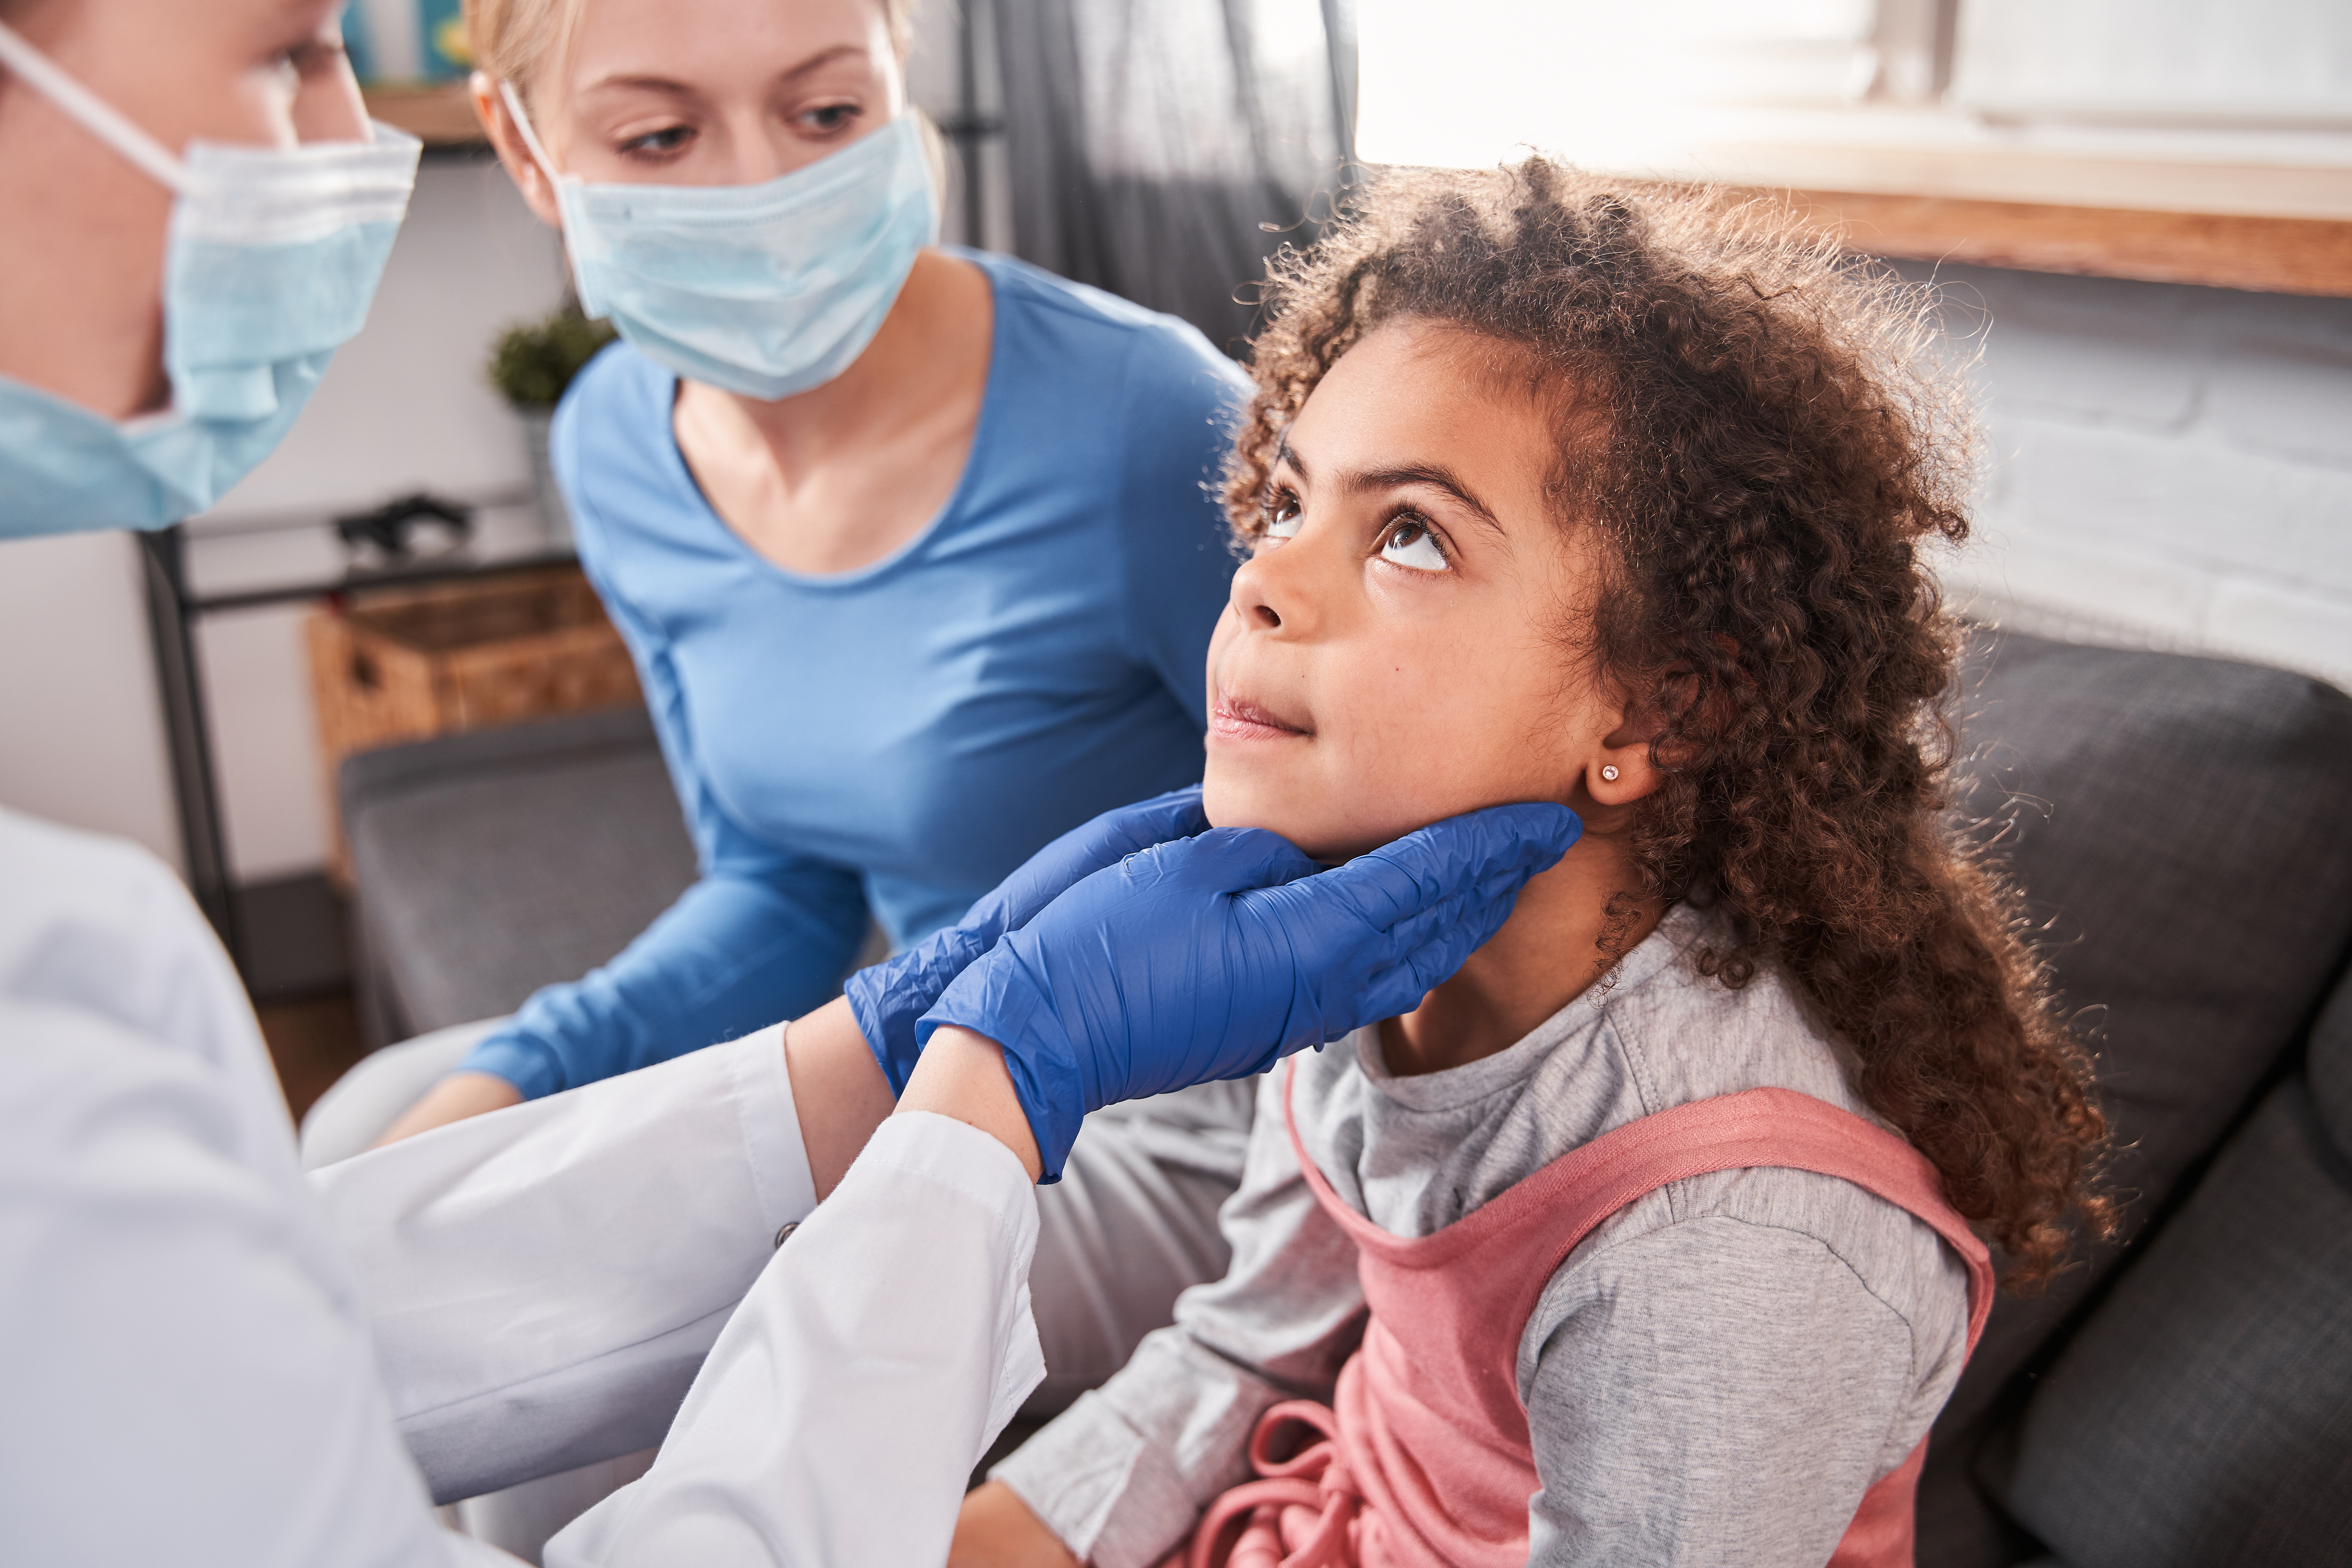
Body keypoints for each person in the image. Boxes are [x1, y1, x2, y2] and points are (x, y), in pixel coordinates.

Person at [0, 4, 1581, 1561]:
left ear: (902, 77)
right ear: (529, 150)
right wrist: (879, 1036)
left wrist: (993, 1048)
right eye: (661, 133)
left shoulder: (1140, 425)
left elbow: (1420, 809)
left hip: (1184, 1098)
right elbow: (780, 880)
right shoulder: (617, 437)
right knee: (366, 1120)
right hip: (970, 1035)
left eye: (825, 114)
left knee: (571, 1322)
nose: (756, 188)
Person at [949, 161, 2116, 1568]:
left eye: (1411, 536)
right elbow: (1241, 1358)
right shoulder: (1353, 951)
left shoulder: (1734, 1241)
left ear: (1654, 711)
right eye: (1286, 503)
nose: (1264, 581)